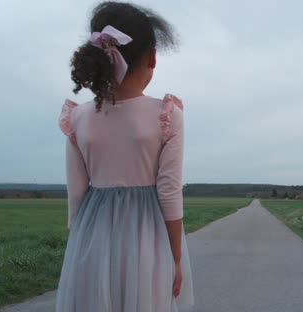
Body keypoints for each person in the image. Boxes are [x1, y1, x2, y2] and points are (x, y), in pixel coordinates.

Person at [55, 2, 194, 311]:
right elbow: (169, 193)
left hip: (93, 233)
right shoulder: (166, 115)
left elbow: (76, 194)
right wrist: (175, 258)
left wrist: (79, 249)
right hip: (148, 235)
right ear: (153, 58)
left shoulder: (77, 118)